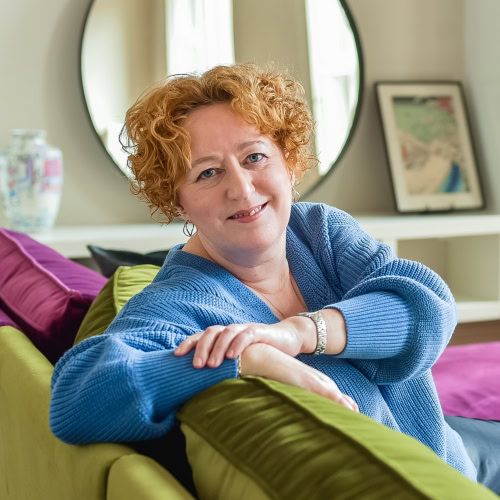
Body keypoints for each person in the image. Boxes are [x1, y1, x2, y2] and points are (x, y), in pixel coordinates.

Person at [50, 63, 482, 488]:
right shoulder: (180, 302)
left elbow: (427, 310)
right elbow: (75, 399)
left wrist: (299, 333)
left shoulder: (319, 230)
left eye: (254, 156)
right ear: (178, 201)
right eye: (208, 172)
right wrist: (242, 357)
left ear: (288, 163)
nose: (241, 188)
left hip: (460, 462)